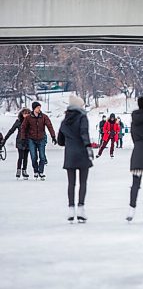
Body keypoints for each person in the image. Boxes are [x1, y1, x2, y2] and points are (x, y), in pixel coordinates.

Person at [57, 95, 94, 223]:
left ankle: (71, 209)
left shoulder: (64, 121)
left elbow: (60, 141)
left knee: (71, 183)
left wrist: (69, 141)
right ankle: (81, 209)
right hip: (82, 153)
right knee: (83, 182)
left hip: (70, 155)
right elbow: (84, 133)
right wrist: (88, 148)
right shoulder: (82, 117)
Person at [21, 101, 57, 180]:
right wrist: (23, 138)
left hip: (41, 139)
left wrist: (53, 136)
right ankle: (36, 171)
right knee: (33, 157)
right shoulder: (28, 118)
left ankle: (41, 172)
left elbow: (49, 126)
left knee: (42, 157)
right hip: (31, 139)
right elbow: (23, 128)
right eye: (38, 107)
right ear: (34, 108)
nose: (39, 109)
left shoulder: (44, 117)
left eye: (40, 107)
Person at [1, 108, 31, 179]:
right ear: (22, 114)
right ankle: (18, 170)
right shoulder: (18, 121)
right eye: (25, 113)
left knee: (26, 157)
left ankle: (24, 170)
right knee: (20, 157)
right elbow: (11, 131)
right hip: (20, 141)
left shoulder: (31, 122)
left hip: (28, 141)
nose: (26, 115)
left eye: (28, 113)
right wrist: (5, 139)